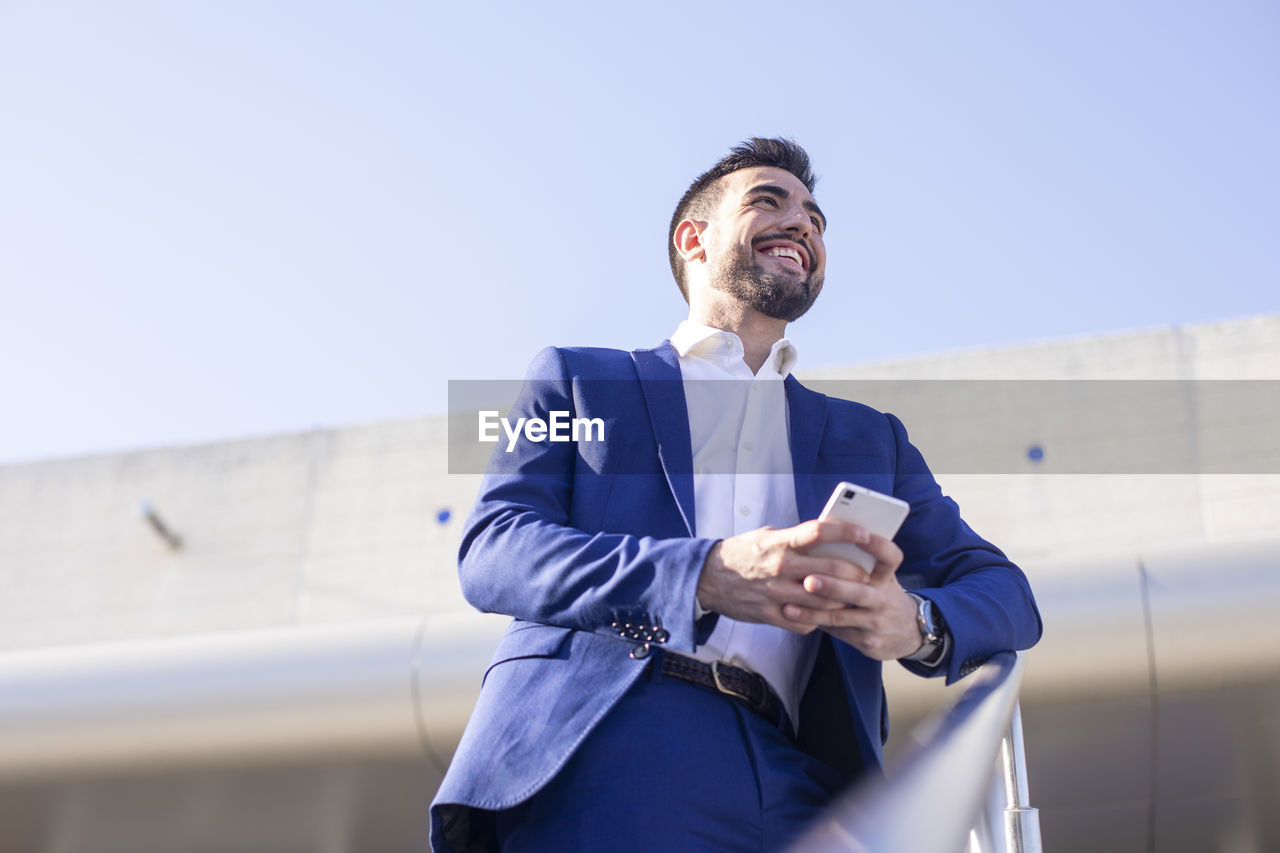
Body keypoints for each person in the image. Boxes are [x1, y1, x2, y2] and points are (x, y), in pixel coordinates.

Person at [430, 138, 1042, 852]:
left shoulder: (870, 439)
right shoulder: (582, 383)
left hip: (805, 783)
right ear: (694, 238)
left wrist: (917, 623)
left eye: (816, 218)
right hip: (615, 743)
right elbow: (496, 549)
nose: (805, 225)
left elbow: (1007, 593)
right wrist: (706, 573)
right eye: (769, 201)